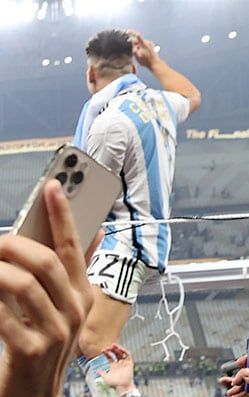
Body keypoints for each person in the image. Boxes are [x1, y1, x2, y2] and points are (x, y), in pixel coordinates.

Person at [74, 29, 201, 361]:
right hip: (142, 241)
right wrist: (154, 61)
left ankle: (126, 396)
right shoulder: (163, 104)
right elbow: (191, 95)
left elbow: (88, 206)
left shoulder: (108, 123)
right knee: (74, 341)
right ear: (132, 69)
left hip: (126, 245)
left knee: (92, 344)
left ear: (91, 73)